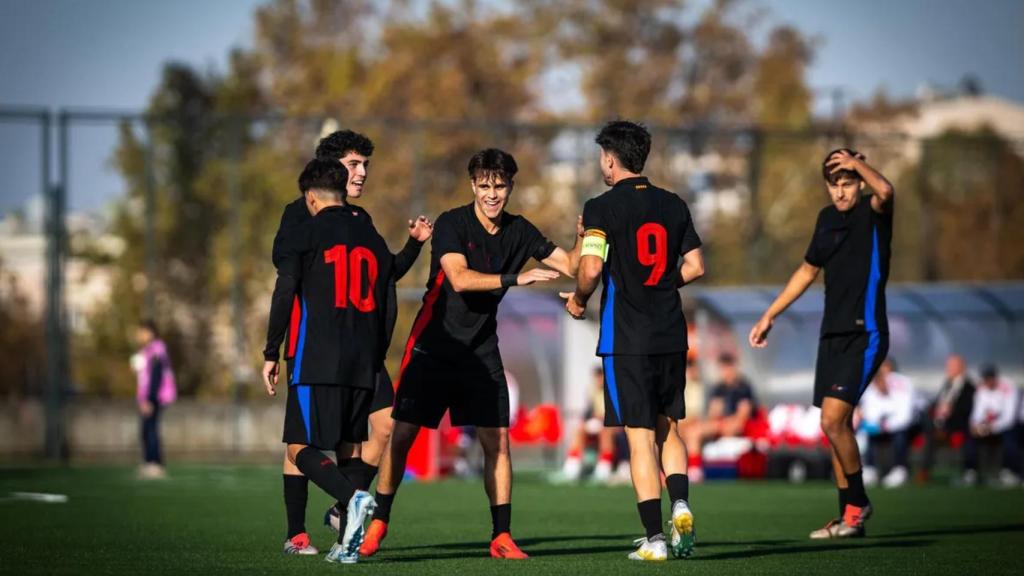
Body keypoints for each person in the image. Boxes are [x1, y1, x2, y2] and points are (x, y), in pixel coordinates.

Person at [364, 148, 582, 560]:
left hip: (481, 351)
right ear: (473, 187)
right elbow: (460, 280)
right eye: (484, 186)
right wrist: (519, 277)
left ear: (511, 187)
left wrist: (586, 237)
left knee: (497, 441)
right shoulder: (451, 223)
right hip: (433, 344)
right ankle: (379, 520)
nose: (492, 194)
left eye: (499, 186)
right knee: (403, 436)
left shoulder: (520, 230)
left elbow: (572, 264)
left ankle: (501, 535)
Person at [270, 130, 433, 555]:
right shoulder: (300, 215)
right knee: (301, 438)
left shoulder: (359, 220)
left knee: (376, 430)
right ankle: (297, 531)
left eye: (365, 165)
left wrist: (413, 247)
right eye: (354, 164)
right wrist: (274, 348)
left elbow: (386, 273)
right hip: (312, 345)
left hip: (360, 349)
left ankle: (348, 506)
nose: (362, 173)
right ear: (330, 170)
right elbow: (287, 280)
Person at [563, 120, 705, 561]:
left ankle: (655, 539)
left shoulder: (601, 207)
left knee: (639, 437)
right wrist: (661, 284)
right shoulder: (674, 204)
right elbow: (697, 266)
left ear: (609, 158)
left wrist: (580, 301)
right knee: (670, 428)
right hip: (670, 332)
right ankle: (680, 504)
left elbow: (588, 270)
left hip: (627, 337)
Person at [749, 147, 895, 539]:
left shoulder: (874, 212)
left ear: (859, 182)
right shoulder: (826, 219)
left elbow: (886, 189)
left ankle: (858, 503)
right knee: (833, 427)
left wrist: (857, 163)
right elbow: (806, 271)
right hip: (831, 334)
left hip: (865, 333)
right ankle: (848, 518)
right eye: (835, 185)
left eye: (848, 183)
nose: (841, 192)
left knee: (832, 419)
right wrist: (770, 313)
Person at [262, 158, 395, 564]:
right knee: (349, 447)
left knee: (299, 446)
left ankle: (351, 500)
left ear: (311, 197)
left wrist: (271, 351)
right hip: (362, 359)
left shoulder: (307, 230)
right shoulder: (370, 235)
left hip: (315, 355)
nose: (361, 171)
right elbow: (389, 289)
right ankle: (344, 541)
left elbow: (285, 288)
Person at [681, 352, 757, 483]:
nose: (725, 372)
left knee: (730, 427)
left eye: (728, 367)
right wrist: (715, 418)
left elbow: (743, 415)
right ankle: (694, 470)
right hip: (720, 423)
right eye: (723, 368)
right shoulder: (719, 388)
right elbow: (713, 413)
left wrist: (725, 422)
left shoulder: (743, 387)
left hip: (736, 423)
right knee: (693, 431)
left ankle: (694, 469)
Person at [559, 366, 623, 483]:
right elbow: (589, 411)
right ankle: (572, 467)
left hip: (613, 424)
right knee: (579, 430)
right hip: (598, 423)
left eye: (600, 377)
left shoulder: (615, 391)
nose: (598, 380)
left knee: (605, 432)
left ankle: (604, 469)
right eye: (597, 377)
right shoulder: (592, 391)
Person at [858, 358, 915, 488]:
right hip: (881, 425)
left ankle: (900, 469)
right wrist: (875, 424)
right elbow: (870, 410)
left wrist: (886, 425)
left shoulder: (902, 383)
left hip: (902, 426)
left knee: (900, 434)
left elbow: (905, 415)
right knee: (865, 433)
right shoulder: (872, 385)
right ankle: (869, 468)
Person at [130, 319, 176, 480]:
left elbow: (156, 376)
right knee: (146, 429)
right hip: (149, 396)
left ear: (149, 332)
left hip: (155, 396)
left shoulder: (156, 350)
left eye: (141, 332)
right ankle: (150, 461)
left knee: (150, 429)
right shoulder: (148, 351)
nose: (139, 335)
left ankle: (155, 463)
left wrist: (149, 399)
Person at [920, 354, 976, 484]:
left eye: (952, 366)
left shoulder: (969, 386)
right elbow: (938, 402)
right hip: (940, 423)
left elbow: (967, 408)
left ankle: (969, 471)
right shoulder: (947, 384)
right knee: (928, 428)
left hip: (958, 424)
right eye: (948, 365)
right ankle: (923, 471)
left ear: (961, 367)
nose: (948, 368)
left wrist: (950, 410)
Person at [965, 364, 1020, 486]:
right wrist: (975, 425)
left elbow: (1009, 418)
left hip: (1008, 426)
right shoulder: (981, 389)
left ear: (995, 377)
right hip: (988, 427)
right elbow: (977, 413)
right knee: (971, 437)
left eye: (989, 378)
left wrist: (990, 428)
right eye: (985, 378)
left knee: (1010, 440)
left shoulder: (1008, 387)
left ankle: (1011, 472)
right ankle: (971, 471)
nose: (987, 381)